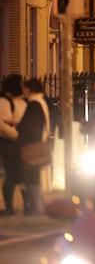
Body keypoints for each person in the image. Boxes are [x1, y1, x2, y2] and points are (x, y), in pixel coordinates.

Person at [17, 78, 50, 215]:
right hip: (38, 143)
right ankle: (38, 206)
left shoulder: (34, 104)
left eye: (25, 88)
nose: (23, 91)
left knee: (31, 177)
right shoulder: (40, 102)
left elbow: (31, 126)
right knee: (33, 177)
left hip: (32, 146)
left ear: (30, 89)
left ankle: (37, 207)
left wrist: (18, 127)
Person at [0, 74, 26, 215]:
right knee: (11, 174)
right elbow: (3, 125)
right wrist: (18, 135)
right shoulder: (4, 102)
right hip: (10, 143)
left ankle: (27, 205)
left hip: (20, 142)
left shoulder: (21, 102)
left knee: (22, 174)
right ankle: (9, 207)